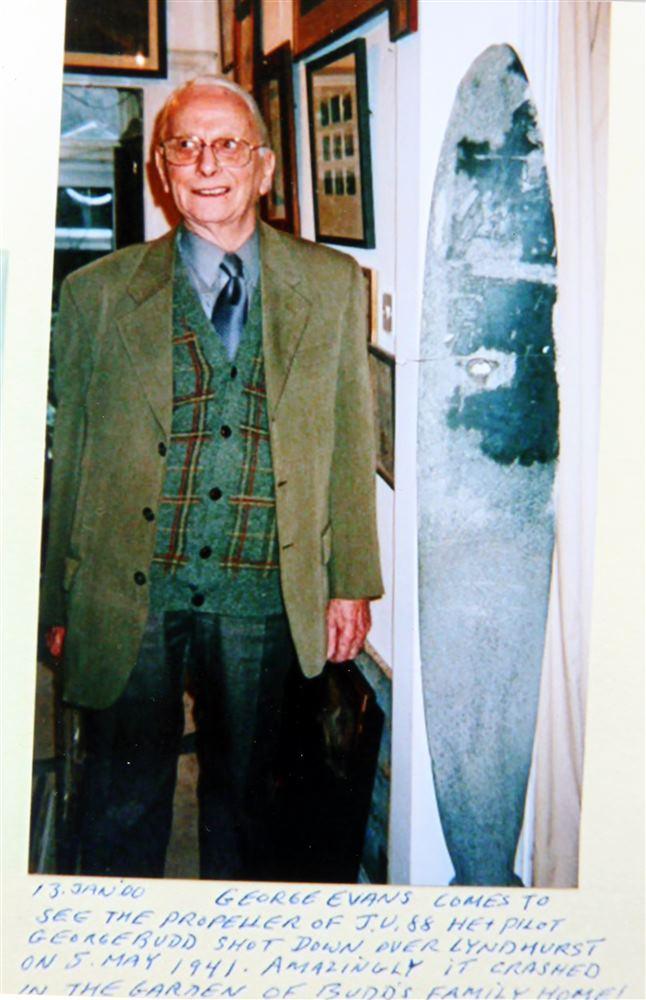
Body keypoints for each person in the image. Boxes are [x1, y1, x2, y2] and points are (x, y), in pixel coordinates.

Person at [40, 76, 383, 880]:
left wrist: (351, 581)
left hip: (264, 587)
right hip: (135, 589)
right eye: (186, 145)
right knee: (119, 808)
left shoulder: (332, 288)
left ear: (263, 168)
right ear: (163, 170)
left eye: (228, 143)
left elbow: (346, 440)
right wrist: (58, 598)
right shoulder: (93, 297)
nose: (207, 162)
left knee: (251, 808)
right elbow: (74, 459)